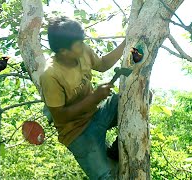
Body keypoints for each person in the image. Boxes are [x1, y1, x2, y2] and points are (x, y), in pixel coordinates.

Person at [40, 16, 125, 180]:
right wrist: (94, 98)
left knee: (134, 99)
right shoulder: (50, 75)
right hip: (77, 133)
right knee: (106, 178)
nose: (83, 44)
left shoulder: (82, 51)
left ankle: (114, 151)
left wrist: (126, 43)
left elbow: (103, 64)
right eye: (78, 43)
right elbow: (60, 116)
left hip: (97, 114)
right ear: (63, 51)